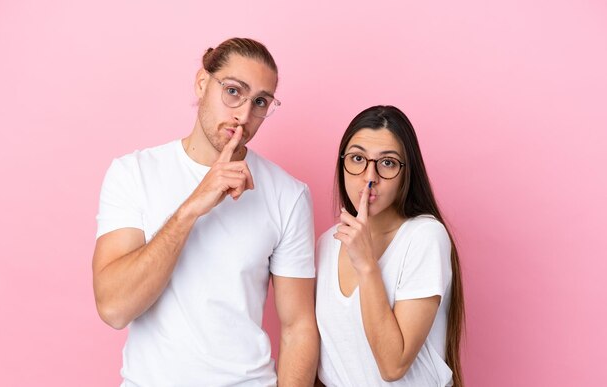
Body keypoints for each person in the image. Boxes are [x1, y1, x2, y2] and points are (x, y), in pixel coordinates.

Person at [93, 37, 319, 387]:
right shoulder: (133, 173)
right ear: (202, 83)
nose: (243, 115)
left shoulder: (289, 194)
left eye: (260, 102)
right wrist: (191, 208)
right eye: (233, 91)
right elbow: (114, 308)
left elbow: (298, 327)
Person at [315, 105, 465, 387]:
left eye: (387, 163)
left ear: (406, 173)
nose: (369, 177)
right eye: (357, 158)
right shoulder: (326, 244)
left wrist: (367, 266)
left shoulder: (424, 236)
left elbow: (393, 365)